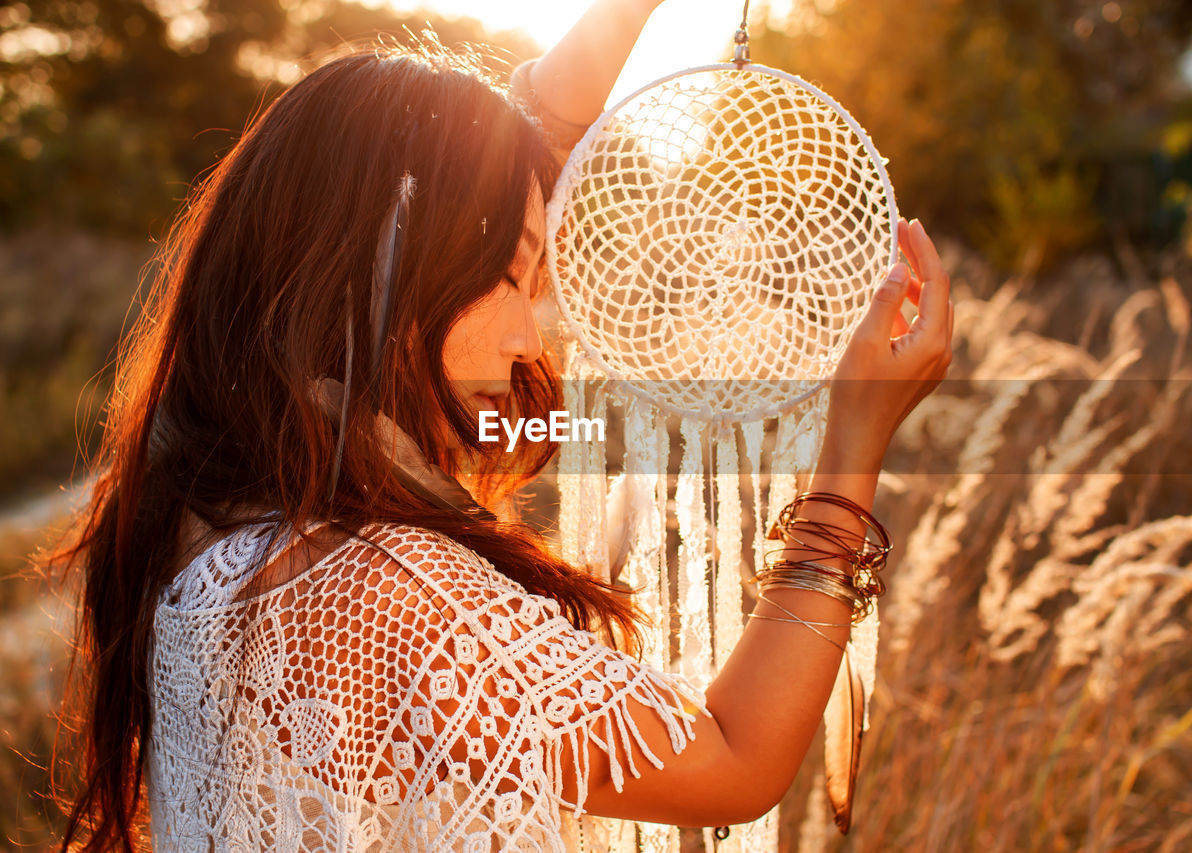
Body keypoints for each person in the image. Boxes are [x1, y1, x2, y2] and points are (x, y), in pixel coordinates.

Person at [53, 0, 953, 850]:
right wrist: (851, 449)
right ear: (385, 276)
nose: (531, 339)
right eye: (513, 278)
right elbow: (731, 759)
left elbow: (473, 177)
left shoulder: (207, 520)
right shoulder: (386, 596)